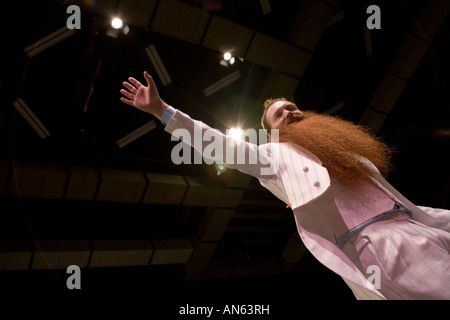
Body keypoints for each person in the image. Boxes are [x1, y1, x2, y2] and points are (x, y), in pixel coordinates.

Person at [120, 71, 450, 300]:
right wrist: (163, 111)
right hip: (381, 246)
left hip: (419, 226)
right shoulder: (274, 157)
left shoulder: (341, 148)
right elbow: (222, 148)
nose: (289, 114)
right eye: (279, 115)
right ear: (272, 132)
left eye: (291, 107)